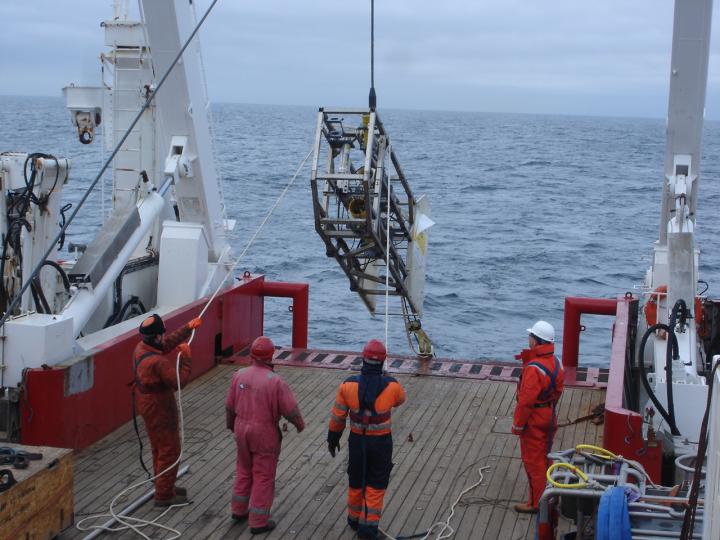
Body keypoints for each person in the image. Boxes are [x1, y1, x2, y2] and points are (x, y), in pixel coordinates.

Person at [327, 339, 406, 540]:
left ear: (363, 358)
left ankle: (353, 519)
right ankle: (369, 529)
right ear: (383, 361)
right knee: (376, 484)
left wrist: (333, 437)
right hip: (380, 443)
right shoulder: (392, 386)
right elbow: (400, 400)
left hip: (356, 441)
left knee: (355, 479)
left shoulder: (348, 385)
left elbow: (338, 417)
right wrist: (387, 379)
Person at [225, 335, 305, 535]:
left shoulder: (239, 375)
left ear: (252, 354)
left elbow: (229, 406)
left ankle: (238, 510)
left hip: (241, 428)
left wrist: (231, 426)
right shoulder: (275, 381)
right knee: (263, 475)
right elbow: (291, 410)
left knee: (243, 469)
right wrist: (299, 425)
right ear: (271, 355)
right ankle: (259, 521)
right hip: (264, 432)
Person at [133, 313, 202, 506]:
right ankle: (164, 496)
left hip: (146, 402)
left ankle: (164, 485)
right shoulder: (158, 362)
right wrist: (187, 359)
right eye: (162, 334)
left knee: (159, 446)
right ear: (156, 337)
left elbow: (166, 344)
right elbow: (179, 382)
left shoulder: (141, 348)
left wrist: (188, 328)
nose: (164, 336)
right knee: (170, 449)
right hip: (159, 406)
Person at [512, 320, 564, 514]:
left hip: (534, 418)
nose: (528, 339)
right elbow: (558, 389)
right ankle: (550, 496)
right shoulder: (556, 362)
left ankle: (536, 503)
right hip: (549, 415)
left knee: (534, 461)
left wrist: (518, 425)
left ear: (536, 341)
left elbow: (526, 401)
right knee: (546, 455)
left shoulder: (534, 368)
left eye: (531, 336)